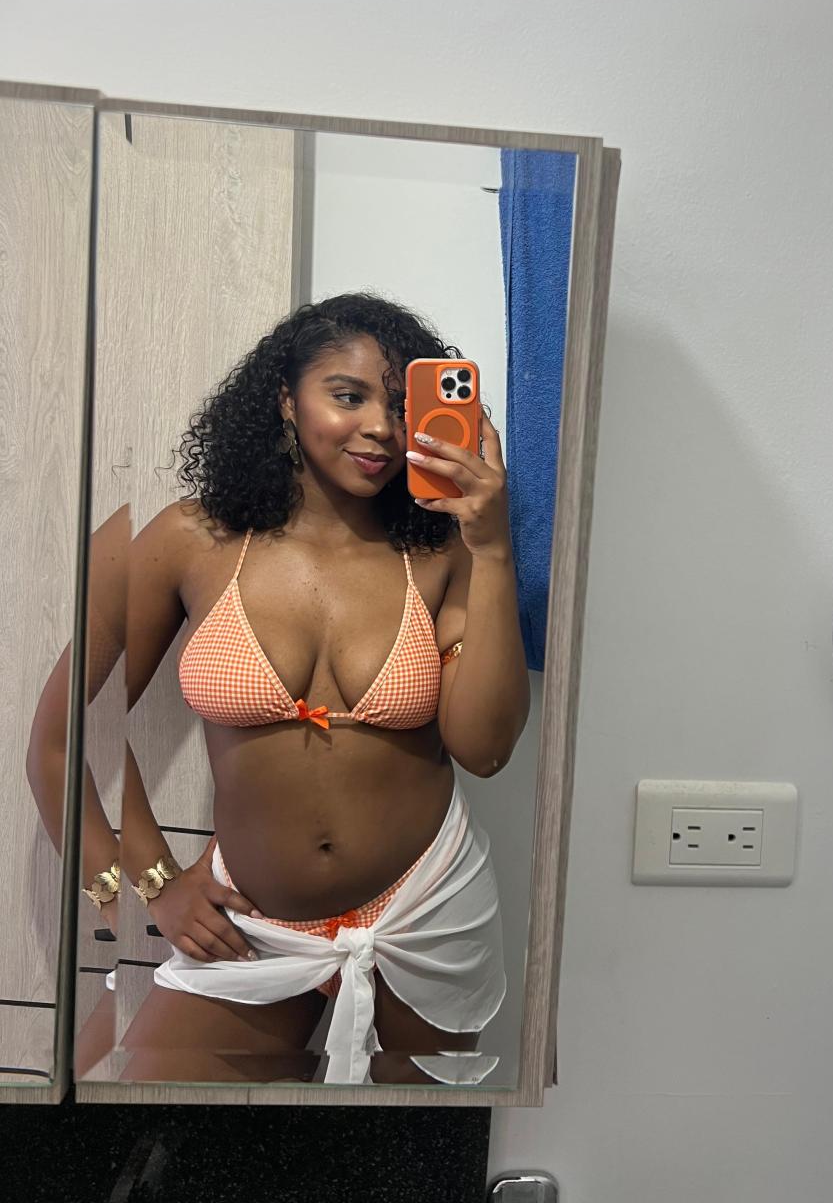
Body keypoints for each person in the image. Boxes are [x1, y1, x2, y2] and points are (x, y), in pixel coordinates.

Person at [29, 292, 530, 1084]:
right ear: (286, 401)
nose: (381, 429)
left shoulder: (443, 551)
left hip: (428, 907)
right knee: (149, 1127)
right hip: (249, 920)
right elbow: (59, 741)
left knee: (403, 1151)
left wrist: (494, 549)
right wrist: (147, 887)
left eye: (400, 408)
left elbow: (486, 749)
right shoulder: (190, 540)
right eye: (348, 396)